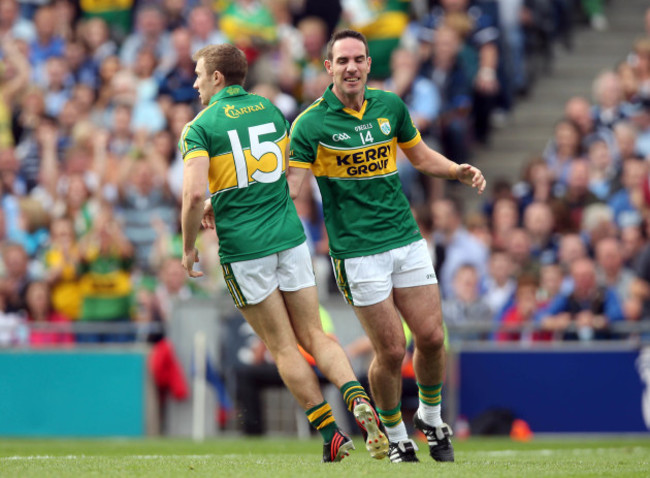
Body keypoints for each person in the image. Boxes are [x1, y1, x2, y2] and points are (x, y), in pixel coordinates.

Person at [178, 43, 387, 463]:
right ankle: (358, 397)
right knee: (316, 335)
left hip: (245, 249)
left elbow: (195, 191)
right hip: (291, 238)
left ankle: (330, 434)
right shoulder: (271, 111)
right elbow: (275, 176)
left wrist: (187, 247)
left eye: (200, 74)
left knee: (284, 348)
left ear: (218, 78)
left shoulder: (199, 127)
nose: (196, 81)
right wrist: (221, 203)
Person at [287, 29, 486, 463]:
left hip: (406, 238)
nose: (351, 67)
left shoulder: (390, 106)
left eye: (358, 58)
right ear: (328, 67)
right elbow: (292, 186)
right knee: (392, 350)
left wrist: (456, 171)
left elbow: (419, 154)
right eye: (342, 61)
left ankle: (430, 419)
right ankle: (395, 433)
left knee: (432, 337)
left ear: (369, 64)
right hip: (357, 251)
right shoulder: (310, 123)